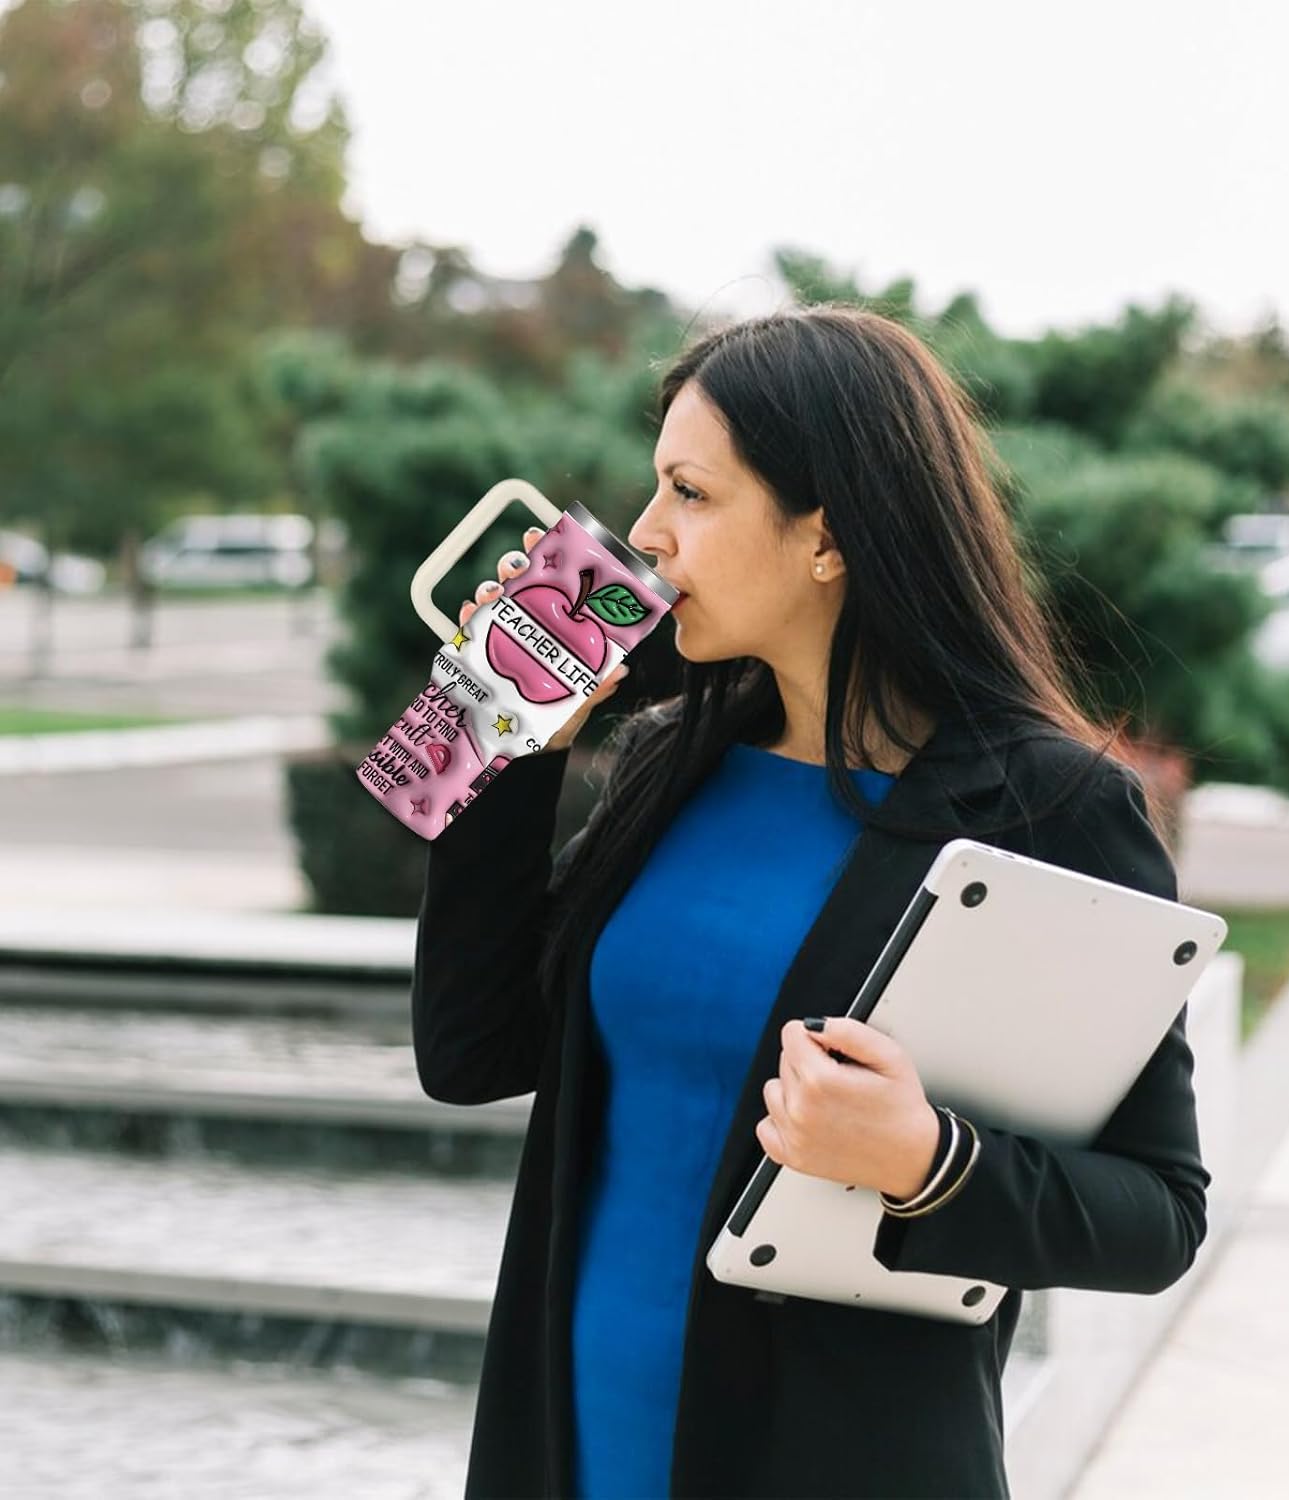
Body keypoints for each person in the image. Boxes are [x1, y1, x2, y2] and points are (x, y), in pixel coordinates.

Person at [411, 304, 1211, 1499]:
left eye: (690, 491)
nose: (642, 534)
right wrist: (503, 749)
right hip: (570, 1442)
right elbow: (469, 1052)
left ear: (824, 533)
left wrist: (926, 1161)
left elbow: (1159, 1213)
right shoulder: (672, 756)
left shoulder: (1048, 809)